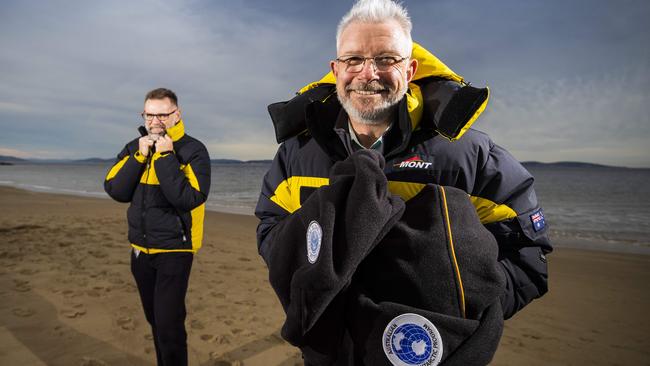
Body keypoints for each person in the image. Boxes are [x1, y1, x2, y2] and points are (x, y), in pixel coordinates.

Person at [256, 0, 552, 364]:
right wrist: (309, 277)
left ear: (410, 69)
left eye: (386, 59)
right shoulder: (297, 153)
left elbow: (529, 255)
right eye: (353, 60)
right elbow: (270, 226)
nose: (368, 73)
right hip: (329, 352)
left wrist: (462, 304)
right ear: (335, 70)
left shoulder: (468, 154)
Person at [104, 88, 211, 366]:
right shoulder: (134, 146)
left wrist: (165, 157)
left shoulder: (193, 150)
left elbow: (189, 198)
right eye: (150, 114)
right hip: (140, 251)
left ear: (177, 114)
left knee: (169, 325)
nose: (155, 121)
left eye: (162, 115)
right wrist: (140, 157)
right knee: (155, 320)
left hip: (175, 250)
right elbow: (116, 189)